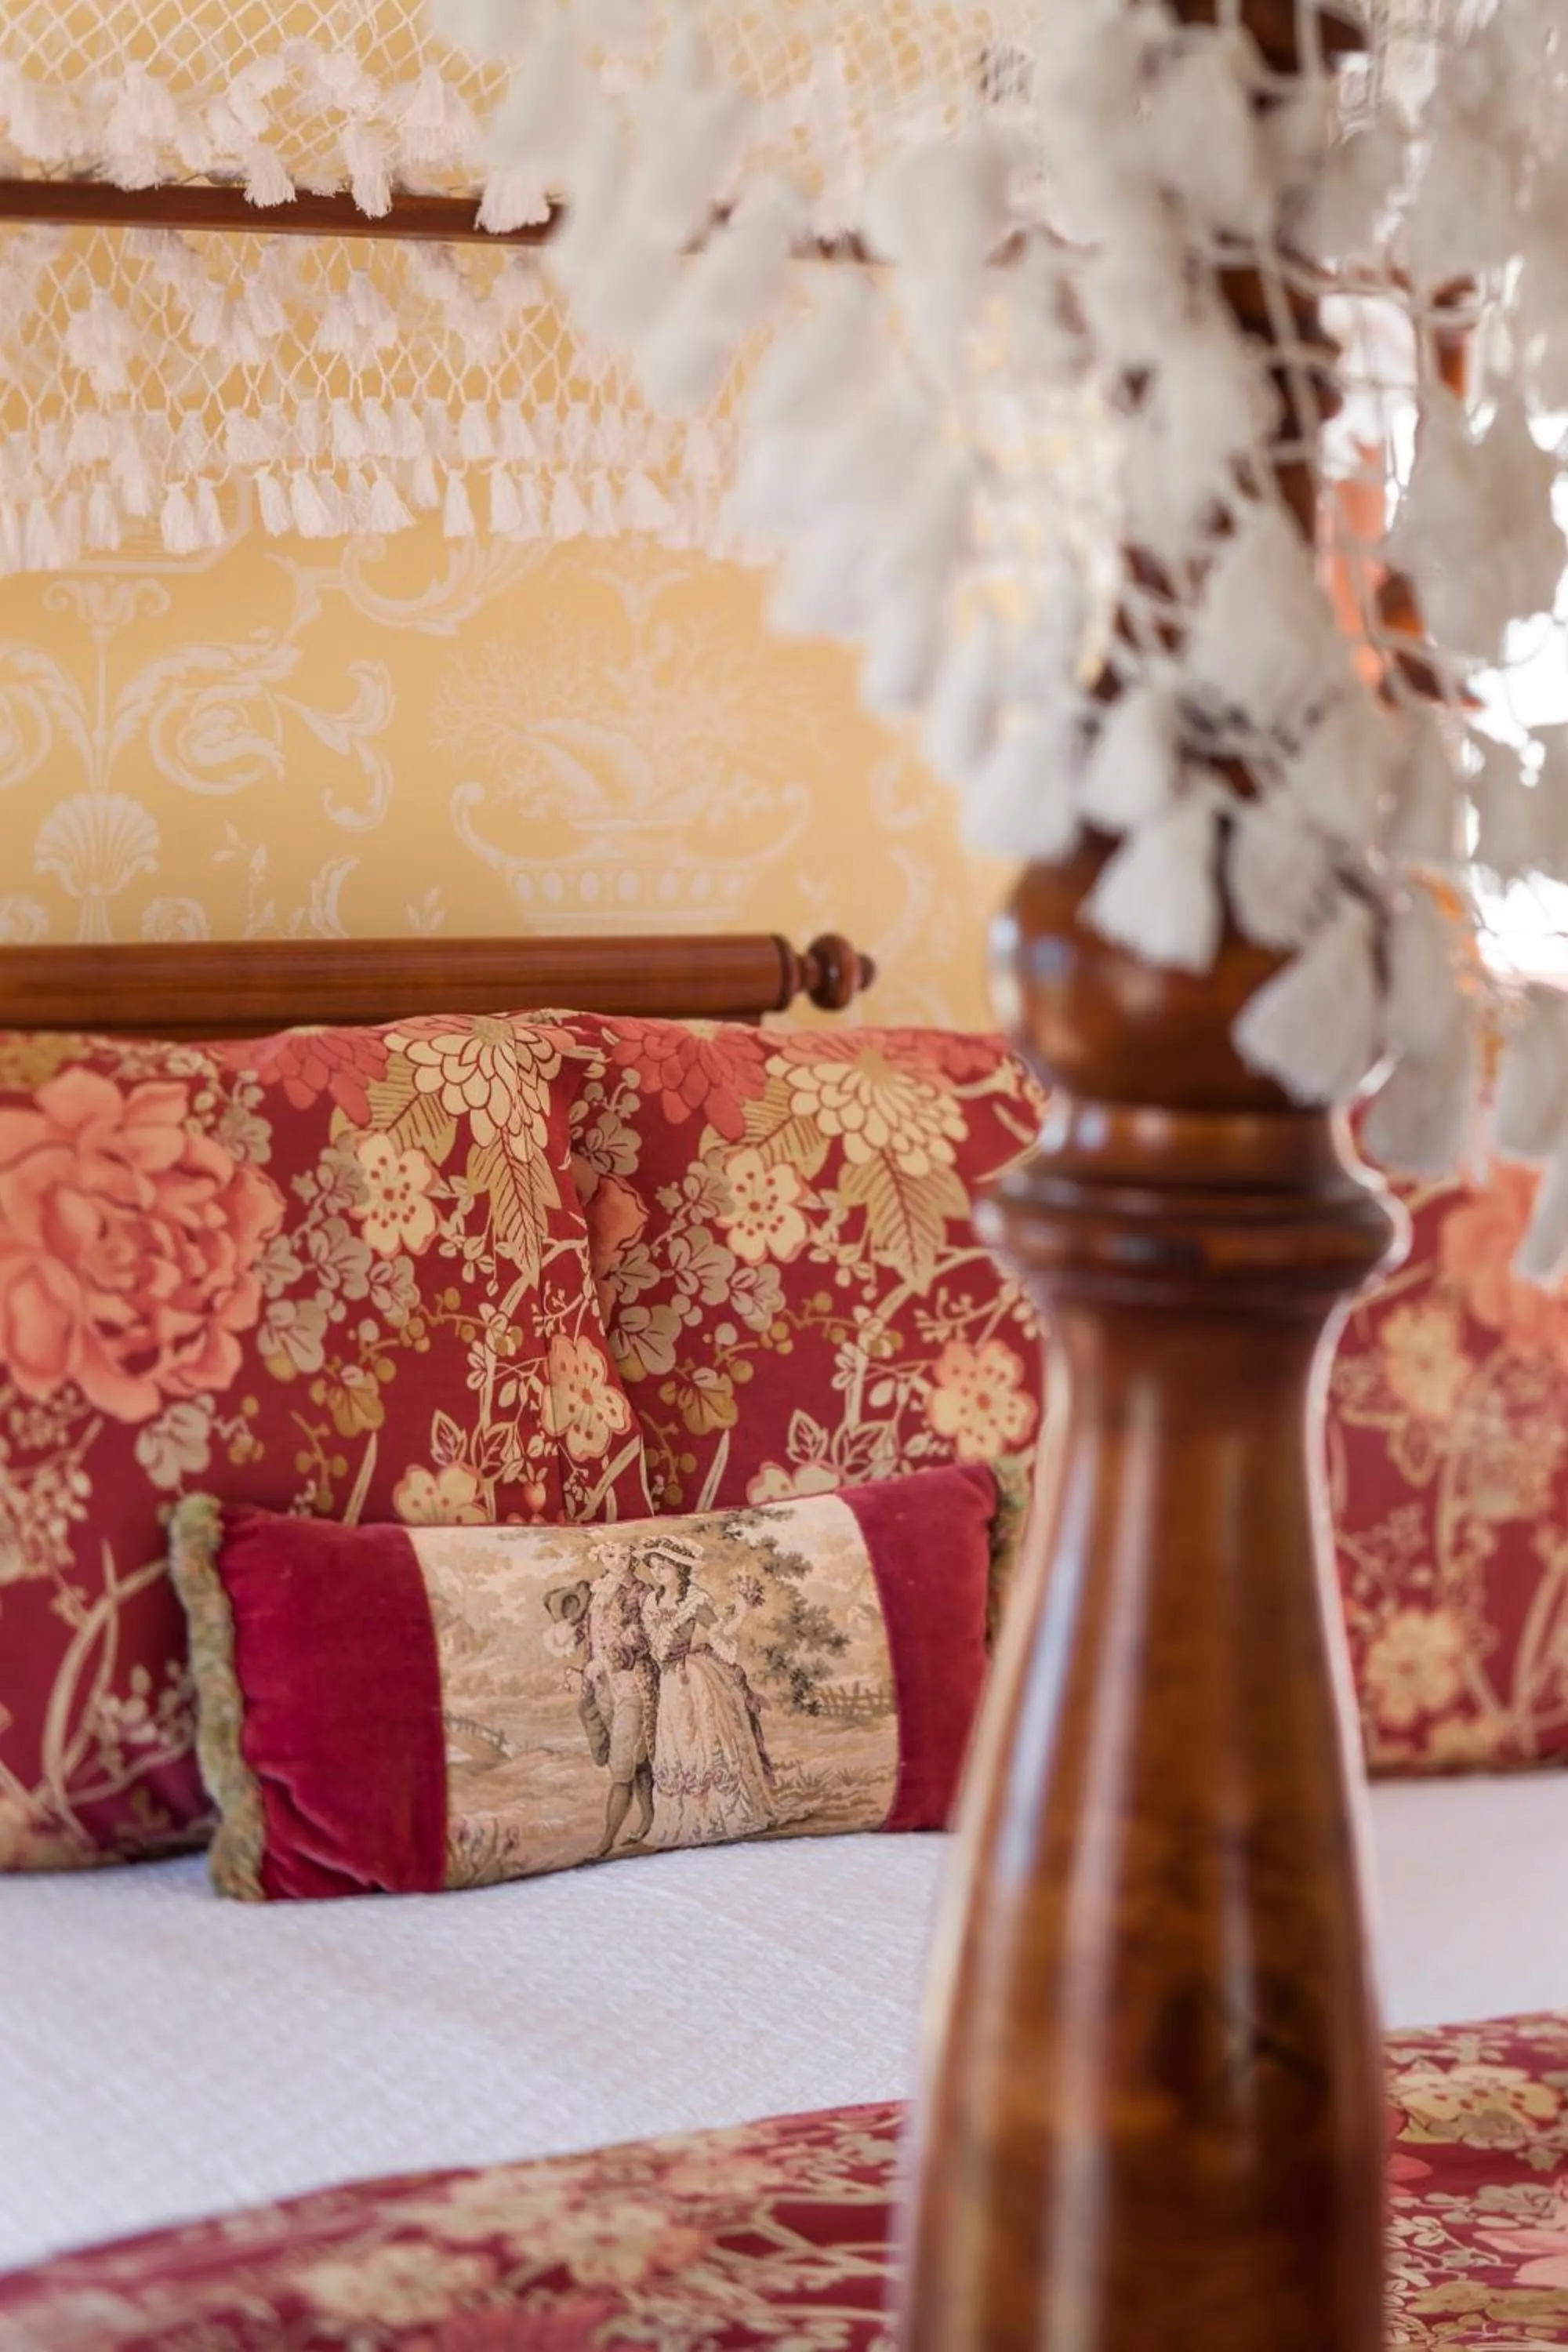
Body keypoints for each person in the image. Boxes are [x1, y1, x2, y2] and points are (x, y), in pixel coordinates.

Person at [633, 1538, 775, 1847]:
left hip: (691, 1678)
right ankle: (684, 1816)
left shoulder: (695, 1600)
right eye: (654, 1567)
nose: (658, 1572)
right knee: (677, 1742)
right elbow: (654, 1646)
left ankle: (718, 1813)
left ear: (680, 1569)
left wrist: (740, 1610)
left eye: (664, 1567)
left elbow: (719, 1633)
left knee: (703, 1739)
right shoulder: (651, 1602)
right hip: (669, 1682)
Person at [579, 1547, 659, 1857]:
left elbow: (642, 1637)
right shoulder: (598, 1590)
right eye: (610, 1556)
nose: (617, 1563)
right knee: (635, 1756)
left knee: (622, 1764)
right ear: (600, 1558)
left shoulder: (642, 1592)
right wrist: (586, 1670)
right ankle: (648, 1819)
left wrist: (608, 1660)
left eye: (623, 1557)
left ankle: (606, 1840)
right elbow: (592, 1639)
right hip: (605, 1688)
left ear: (632, 1560)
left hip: (634, 1685)